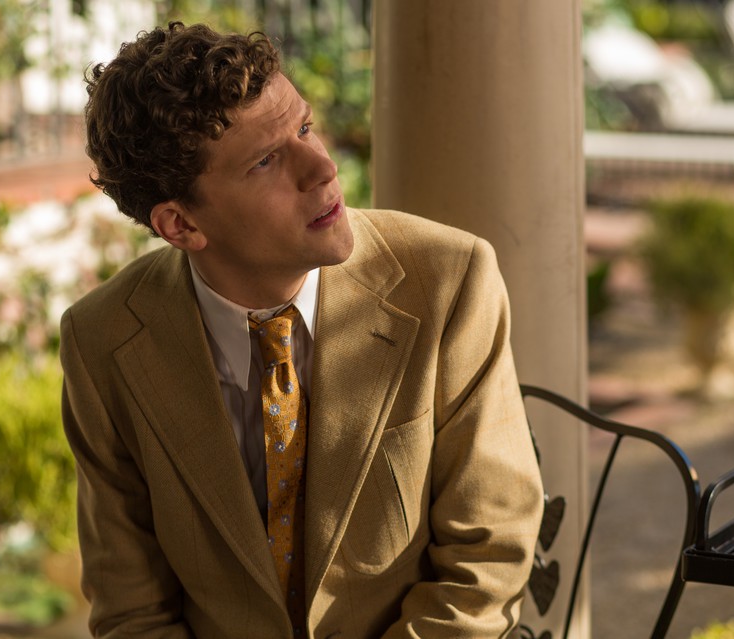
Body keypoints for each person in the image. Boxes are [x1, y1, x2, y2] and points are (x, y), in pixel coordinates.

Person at [60, 21, 543, 639]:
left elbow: (487, 561)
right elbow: (133, 611)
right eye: (266, 161)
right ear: (180, 225)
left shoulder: (449, 282)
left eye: (306, 129)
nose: (323, 167)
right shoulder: (103, 341)